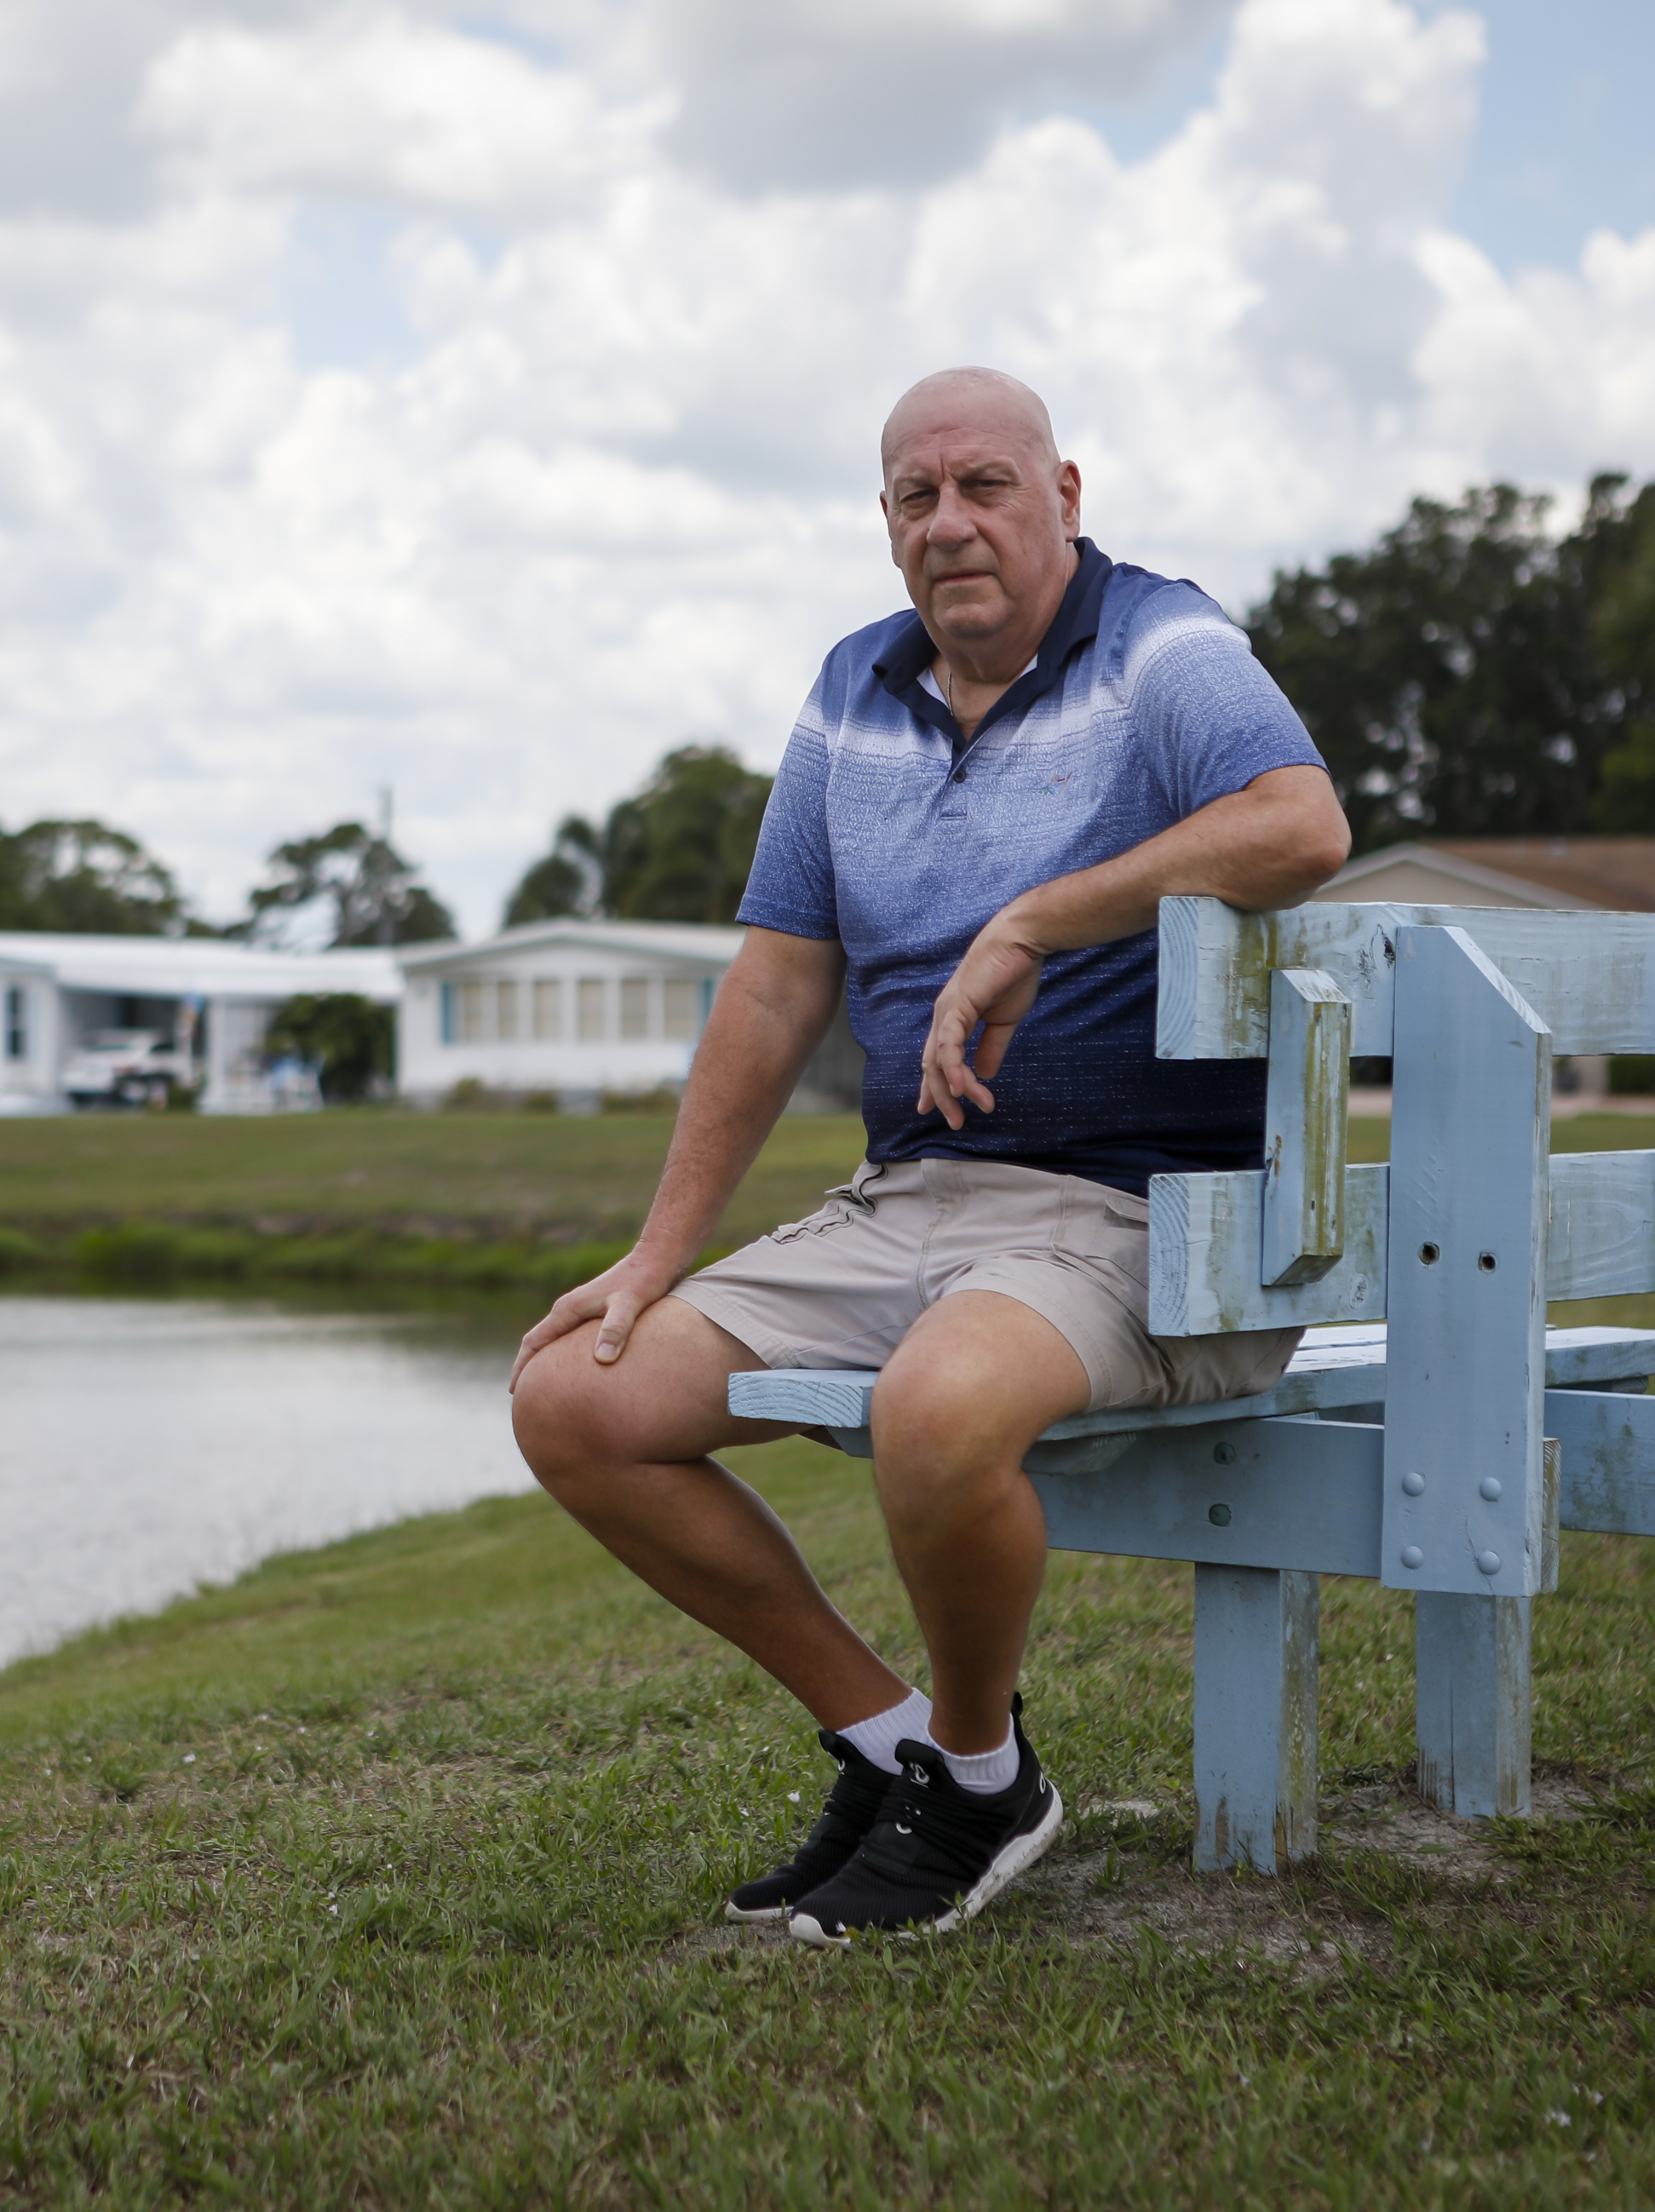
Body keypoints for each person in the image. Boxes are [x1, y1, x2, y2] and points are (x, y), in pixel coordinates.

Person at [510, 367, 1349, 1946]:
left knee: (937, 1409)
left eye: (985, 485)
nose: (949, 522)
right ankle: (905, 1747)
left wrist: (1035, 914)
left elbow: (1299, 823)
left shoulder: (1162, 644)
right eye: (915, 494)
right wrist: (655, 1250)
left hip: (1149, 1215)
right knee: (575, 1395)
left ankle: (976, 1774)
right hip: (911, 1202)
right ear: (886, 520)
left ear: (1065, 494)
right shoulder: (851, 687)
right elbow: (774, 983)